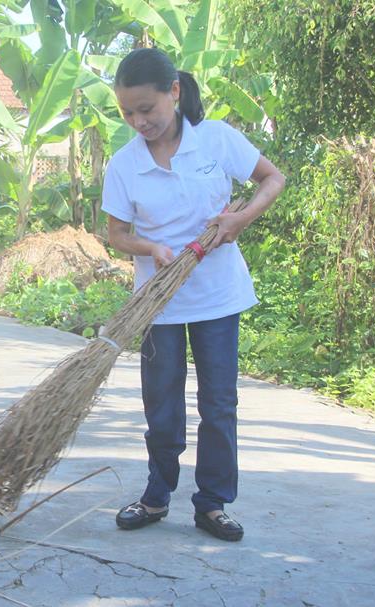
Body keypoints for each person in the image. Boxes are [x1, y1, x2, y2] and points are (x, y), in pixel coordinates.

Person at [102, 48, 285, 541]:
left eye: (148, 109)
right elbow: (116, 233)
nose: (139, 121)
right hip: (157, 302)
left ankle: (212, 503)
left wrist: (238, 219)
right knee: (160, 403)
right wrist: (151, 248)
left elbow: (273, 178)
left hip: (218, 297)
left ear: (175, 93)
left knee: (219, 404)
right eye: (128, 113)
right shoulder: (123, 165)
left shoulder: (217, 140)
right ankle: (156, 496)